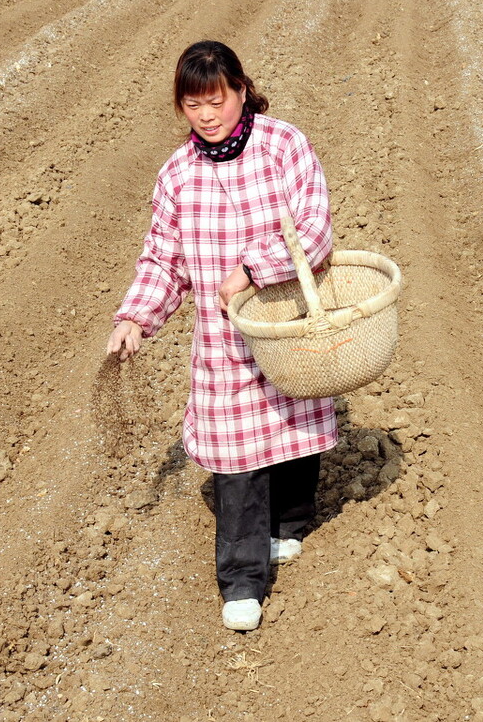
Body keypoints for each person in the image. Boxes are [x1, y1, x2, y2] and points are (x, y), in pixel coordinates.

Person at [107, 41, 336, 631]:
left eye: (217, 100)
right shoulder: (178, 175)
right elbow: (163, 260)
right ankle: (241, 579)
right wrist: (134, 317)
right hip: (224, 339)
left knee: (293, 416)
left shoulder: (284, 146)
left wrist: (255, 269)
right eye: (192, 105)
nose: (207, 115)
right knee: (236, 454)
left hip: (287, 320)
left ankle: (289, 521)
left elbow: (315, 229)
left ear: (241, 90)